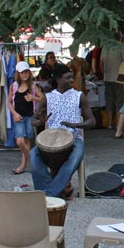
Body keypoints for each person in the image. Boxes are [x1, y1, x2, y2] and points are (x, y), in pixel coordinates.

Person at [31, 64, 95, 198]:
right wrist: (40, 122)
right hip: (50, 140)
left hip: (74, 138)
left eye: (72, 77)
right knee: (33, 154)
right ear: (58, 79)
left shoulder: (79, 96)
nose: (72, 80)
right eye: (68, 78)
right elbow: (33, 120)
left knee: (76, 156)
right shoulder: (47, 97)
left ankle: (49, 194)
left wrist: (75, 124)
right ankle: (50, 189)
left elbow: (91, 121)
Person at [8, 61, 43, 175]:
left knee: (27, 140)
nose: (24, 74)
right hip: (19, 117)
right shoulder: (14, 86)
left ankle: (23, 165)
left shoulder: (33, 86)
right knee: (20, 141)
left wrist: (33, 98)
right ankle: (35, 161)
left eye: (26, 72)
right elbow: (9, 102)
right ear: (18, 73)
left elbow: (43, 99)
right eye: (22, 72)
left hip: (29, 116)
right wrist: (14, 113)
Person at [100, 37, 124, 129]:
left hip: (107, 77)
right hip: (118, 78)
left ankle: (110, 123)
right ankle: (118, 123)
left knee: (109, 100)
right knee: (119, 101)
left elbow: (101, 63)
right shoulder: (121, 47)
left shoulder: (105, 47)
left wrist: (104, 73)